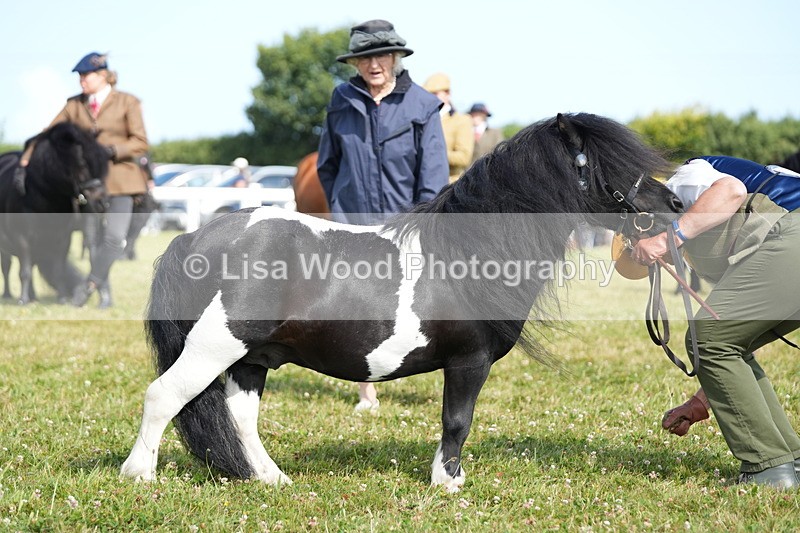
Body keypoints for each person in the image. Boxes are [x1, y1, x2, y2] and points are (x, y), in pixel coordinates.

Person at [631, 156, 800, 489]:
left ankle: (768, 470)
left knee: (706, 335)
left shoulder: (683, 177)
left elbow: (732, 190)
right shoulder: (705, 231)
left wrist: (666, 239)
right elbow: (728, 346)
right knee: (726, 337)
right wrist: (700, 403)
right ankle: (791, 460)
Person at [317, 19, 449, 410]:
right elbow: (328, 164)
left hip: (407, 220)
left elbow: (433, 171)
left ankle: (433, 362)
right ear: (355, 63)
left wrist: (422, 219)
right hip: (353, 220)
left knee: (418, 299)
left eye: (380, 55)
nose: (373, 64)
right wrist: (340, 206)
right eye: (364, 58)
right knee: (357, 302)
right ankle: (366, 387)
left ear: (395, 57)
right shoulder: (341, 100)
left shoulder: (423, 104)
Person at [19, 52, 149, 308]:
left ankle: (89, 284)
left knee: (114, 238)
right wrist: (27, 155)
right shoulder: (74, 105)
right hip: (89, 185)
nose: (81, 81)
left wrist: (110, 151)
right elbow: (49, 132)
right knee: (91, 240)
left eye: (85, 75)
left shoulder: (127, 102)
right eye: (79, 76)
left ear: (103, 75)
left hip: (121, 181)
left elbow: (140, 142)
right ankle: (105, 295)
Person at [423, 73, 474, 183]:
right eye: (429, 93)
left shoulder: (461, 120)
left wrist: (434, 153)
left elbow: (464, 157)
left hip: (449, 185)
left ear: (447, 94)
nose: (431, 97)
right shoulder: (421, 118)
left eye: (436, 93)